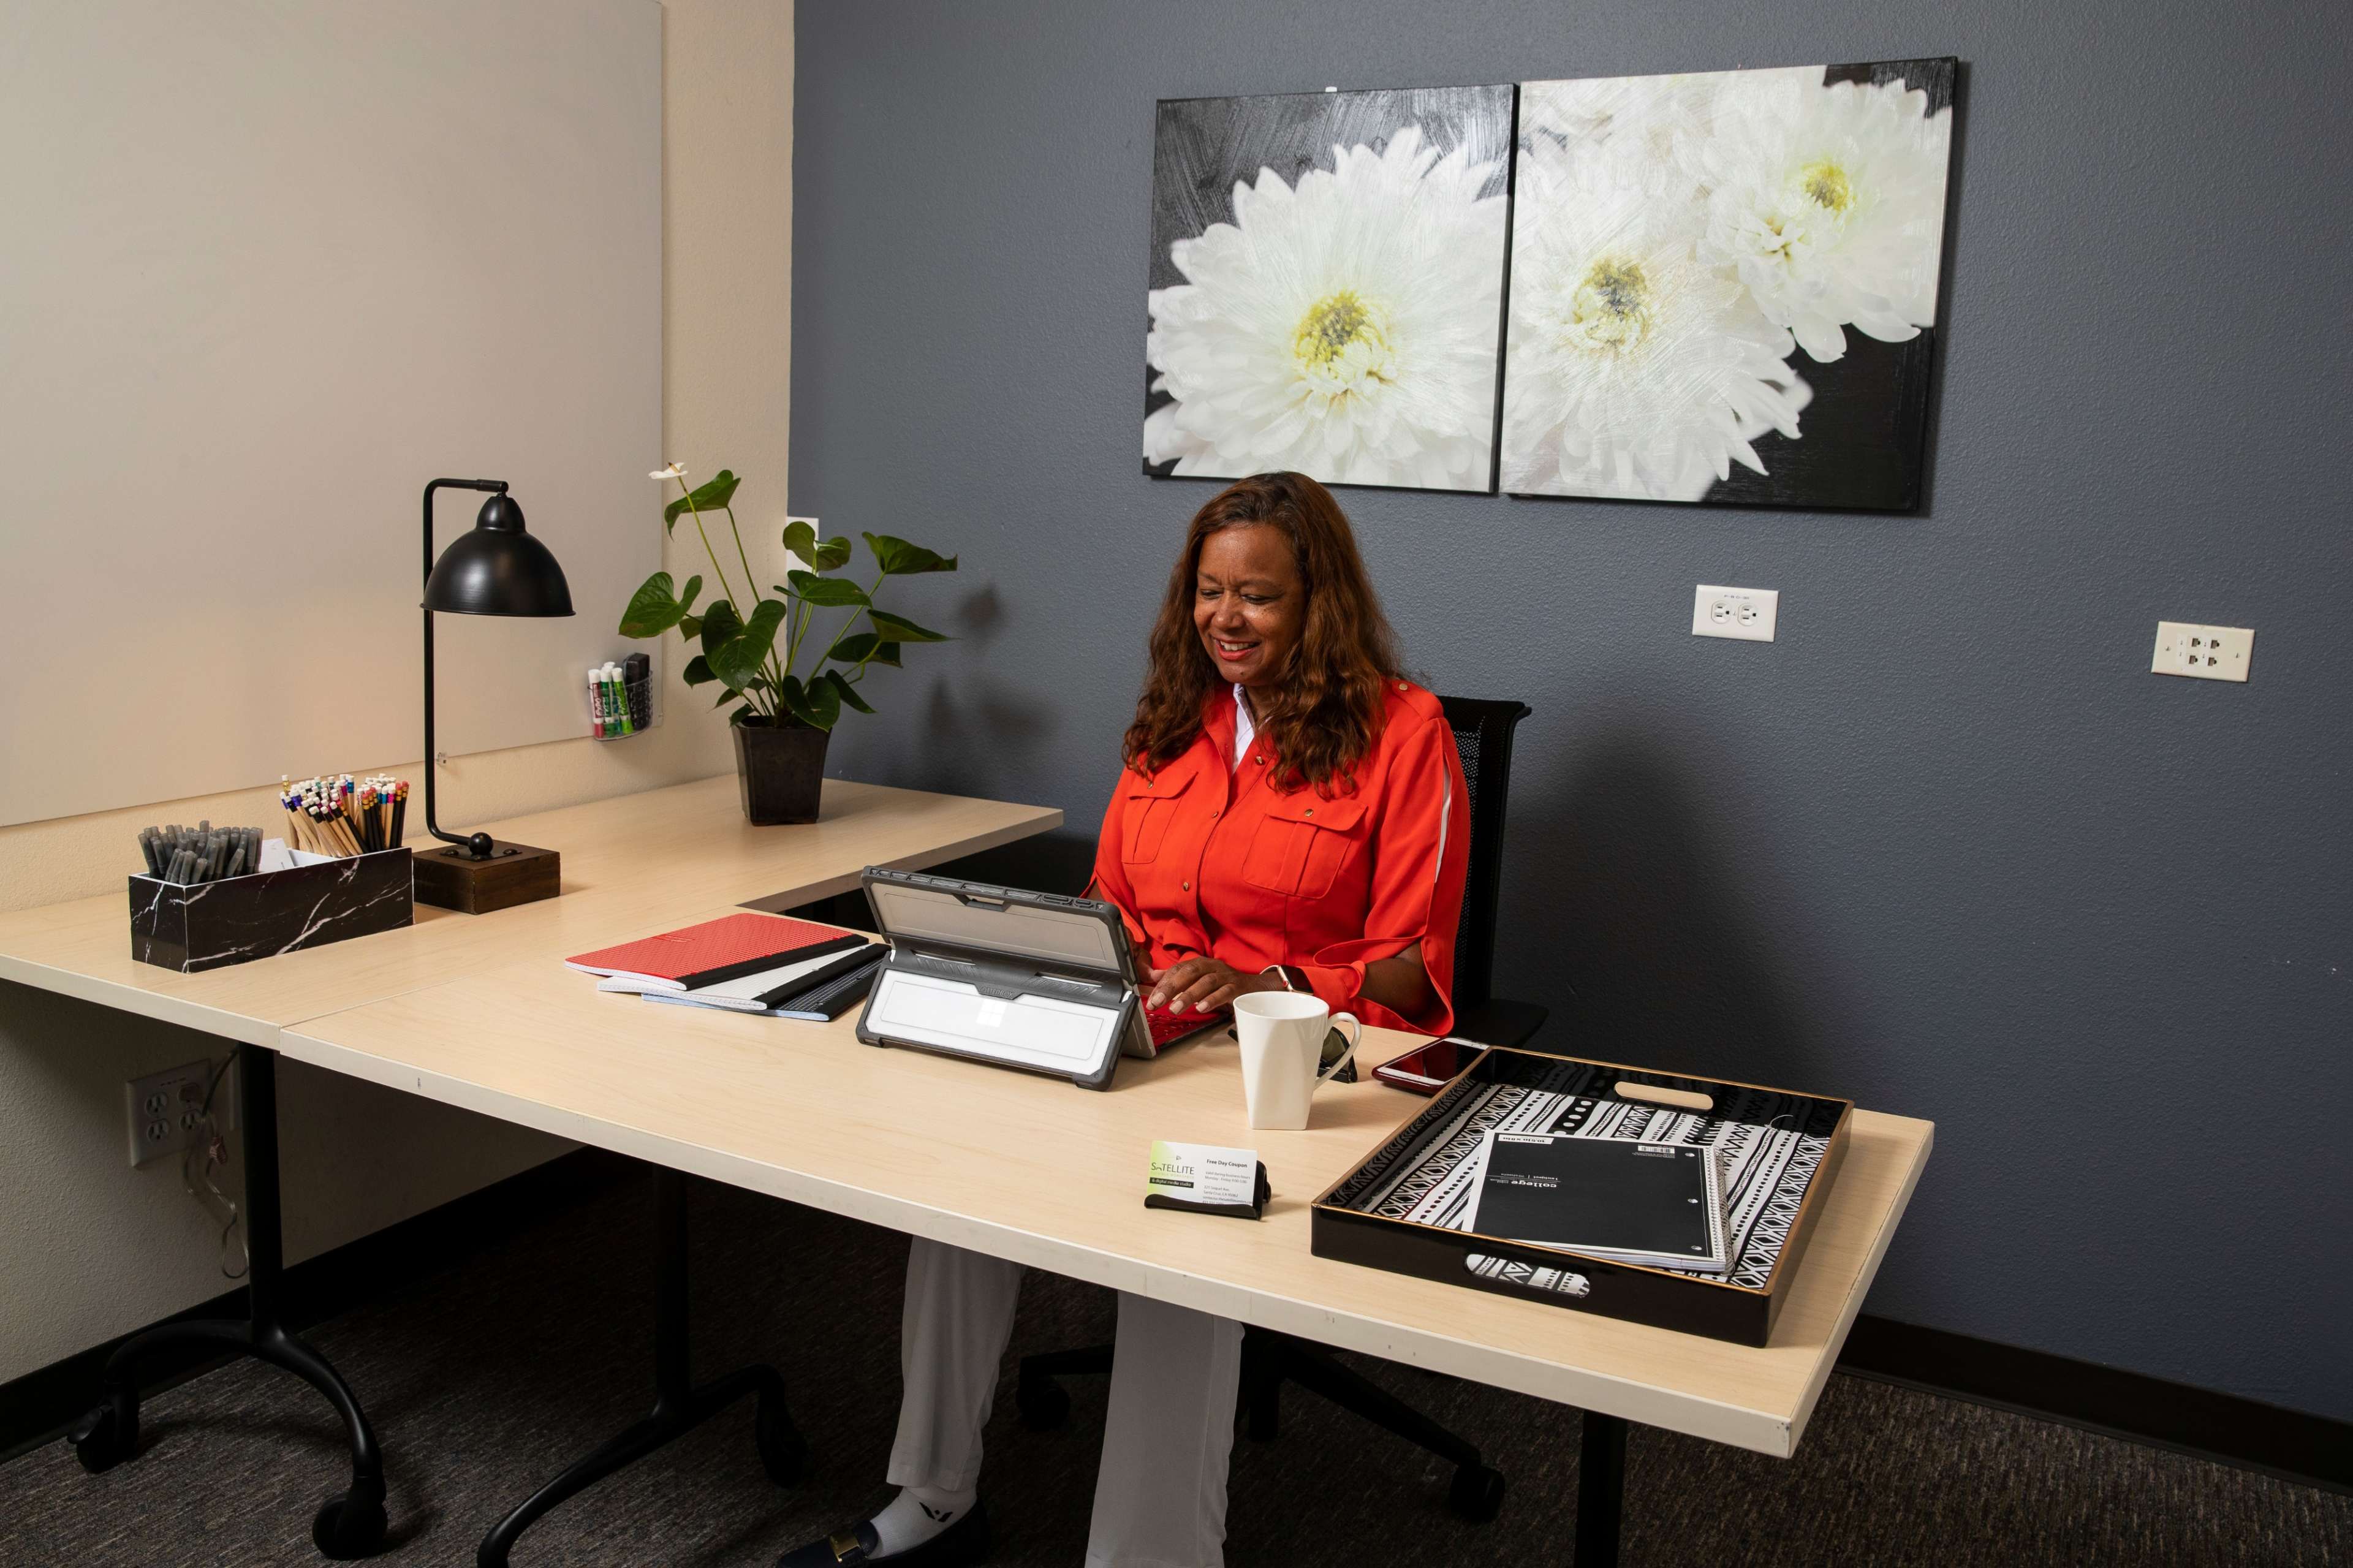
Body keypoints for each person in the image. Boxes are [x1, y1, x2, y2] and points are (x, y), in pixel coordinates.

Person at [779, 472, 1469, 1568]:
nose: (1225, 620)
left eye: (1259, 597)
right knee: (957, 1189)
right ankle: (934, 1498)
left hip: (1283, 1061)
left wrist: (1265, 984)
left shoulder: (1405, 733)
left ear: (1318, 603)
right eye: (1208, 592)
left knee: (1182, 1247)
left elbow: (1408, 977)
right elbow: (1107, 907)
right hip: (1133, 1032)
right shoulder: (1168, 720)